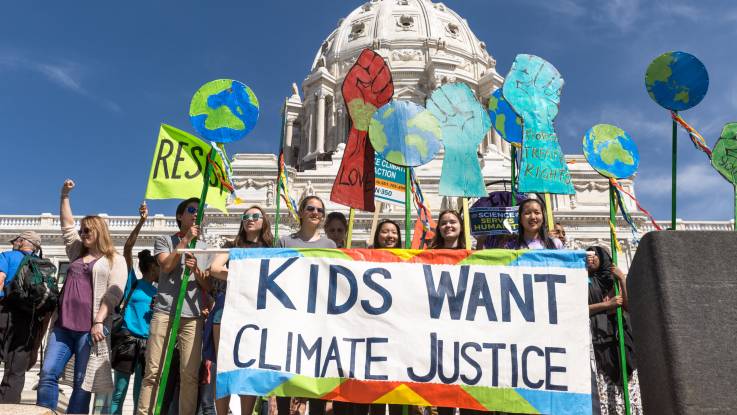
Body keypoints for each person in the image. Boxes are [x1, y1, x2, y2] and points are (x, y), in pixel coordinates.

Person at [36, 179, 128, 413]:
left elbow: (114, 292)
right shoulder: (76, 251)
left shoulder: (115, 260)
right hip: (63, 326)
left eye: (87, 230)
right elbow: (67, 226)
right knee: (47, 373)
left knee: (81, 383)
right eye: (82, 230)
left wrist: (99, 320)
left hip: (90, 331)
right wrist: (64, 195)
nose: (82, 233)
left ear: (99, 232)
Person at [138, 197, 210, 415]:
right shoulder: (164, 240)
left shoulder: (205, 248)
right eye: (191, 210)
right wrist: (185, 240)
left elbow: (207, 285)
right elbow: (166, 267)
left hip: (192, 315)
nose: (196, 213)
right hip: (164, 312)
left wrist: (196, 269)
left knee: (189, 374)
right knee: (154, 371)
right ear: (180, 216)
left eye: (200, 211)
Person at [207, 205, 273, 415]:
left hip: (256, 312)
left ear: (264, 221)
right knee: (222, 367)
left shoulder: (272, 249)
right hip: (227, 309)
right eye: (246, 217)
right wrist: (244, 274)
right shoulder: (231, 246)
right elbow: (215, 269)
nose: (250, 219)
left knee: (249, 368)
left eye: (255, 216)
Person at [276, 196, 335, 415]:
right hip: (289, 316)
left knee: (314, 375)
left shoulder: (329, 245)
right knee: (286, 373)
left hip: (317, 320)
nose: (315, 212)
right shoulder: (285, 242)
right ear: (301, 212)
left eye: (320, 210)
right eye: (310, 208)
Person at [109, 202, 159, 414]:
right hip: (128, 340)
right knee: (119, 391)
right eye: (159, 265)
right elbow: (128, 248)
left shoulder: (160, 292)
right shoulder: (134, 283)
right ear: (151, 267)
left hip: (148, 344)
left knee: (142, 394)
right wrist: (141, 222)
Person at [586, 246, 642, 415]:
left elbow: (628, 306)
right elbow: (578, 308)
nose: (591, 258)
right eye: (588, 256)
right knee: (604, 385)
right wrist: (606, 305)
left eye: (595, 255)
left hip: (619, 334)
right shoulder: (582, 280)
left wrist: (622, 279)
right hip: (597, 338)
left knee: (627, 381)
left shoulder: (613, 279)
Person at [0, 230, 44, 403]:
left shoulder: (8, 256)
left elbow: (0, 279)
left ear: (20, 241)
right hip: (30, 318)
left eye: (15, 240)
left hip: (6, 312)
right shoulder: (41, 264)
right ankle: (8, 406)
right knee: (16, 368)